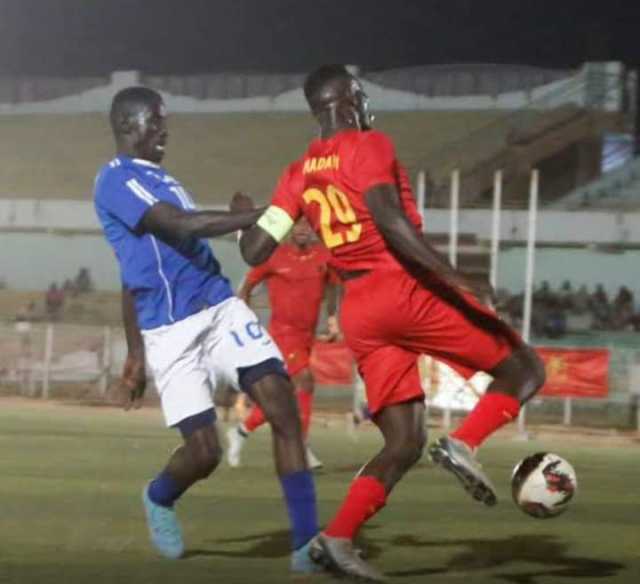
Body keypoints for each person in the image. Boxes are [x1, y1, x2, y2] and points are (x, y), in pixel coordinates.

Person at [234, 64, 545, 581]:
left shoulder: (297, 173)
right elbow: (388, 216)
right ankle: (464, 443)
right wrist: (453, 275)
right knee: (525, 369)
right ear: (349, 99)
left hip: (359, 309)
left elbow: (253, 249)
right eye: (359, 93)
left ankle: (335, 540)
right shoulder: (369, 144)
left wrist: (261, 212)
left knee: (403, 442)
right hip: (401, 285)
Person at [93, 87, 322, 574]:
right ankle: (158, 497)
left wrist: (249, 224)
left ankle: (308, 545)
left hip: (219, 310)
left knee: (282, 405)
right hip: (170, 333)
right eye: (155, 122)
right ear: (129, 125)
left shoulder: (165, 179)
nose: (164, 130)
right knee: (204, 453)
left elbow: (147, 261)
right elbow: (182, 227)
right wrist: (265, 215)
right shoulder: (116, 180)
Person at [227, 218, 339, 469]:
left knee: (284, 399)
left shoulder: (323, 256)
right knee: (306, 381)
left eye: (308, 225)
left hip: (306, 336)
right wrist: (245, 322)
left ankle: (242, 431)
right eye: (298, 225)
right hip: (282, 335)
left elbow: (332, 287)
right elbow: (246, 288)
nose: (302, 229)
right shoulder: (273, 256)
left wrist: (332, 318)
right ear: (289, 228)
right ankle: (301, 448)